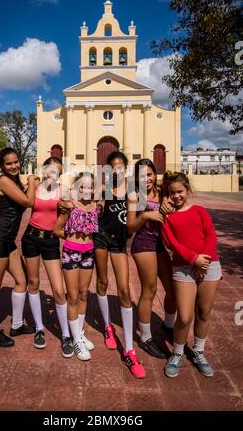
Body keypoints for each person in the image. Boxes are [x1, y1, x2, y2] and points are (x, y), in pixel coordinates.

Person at [161, 171, 221, 378]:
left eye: (180, 191)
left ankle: (199, 352)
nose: (177, 196)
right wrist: (193, 259)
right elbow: (171, 244)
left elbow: (210, 235)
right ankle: (177, 353)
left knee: (203, 313)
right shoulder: (167, 217)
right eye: (172, 193)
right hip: (183, 267)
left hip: (209, 265)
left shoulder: (200, 211)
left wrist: (204, 260)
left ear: (187, 190)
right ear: (167, 194)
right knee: (185, 316)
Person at [93, 151, 146, 378]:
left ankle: (130, 350)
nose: (117, 170)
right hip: (101, 238)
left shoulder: (133, 190)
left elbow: (133, 222)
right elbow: (90, 207)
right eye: (113, 167)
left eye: (121, 166)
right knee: (103, 282)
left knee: (124, 291)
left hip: (119, 243)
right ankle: (107, 327)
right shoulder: (102, 188)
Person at [0, 147, 39, 347]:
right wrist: (31, 182)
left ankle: (16, 325)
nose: (14, 166)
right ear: (2, 166)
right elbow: (28, 201)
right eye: (9, 163)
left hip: (8, 241)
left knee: (22, 281)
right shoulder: (4, 181)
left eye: (16, 162)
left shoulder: (14, 181)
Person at [21, 157, 73, 357]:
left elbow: (69, 215)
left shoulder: (63, 191)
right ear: (44, 170)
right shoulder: (34, 185)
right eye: (50, 170)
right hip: (31, 238)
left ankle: (66, 334)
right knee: (33, 283)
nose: (53, 174)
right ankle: (39, 328)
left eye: (57, 172)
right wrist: (32, 181)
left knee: (59, 291)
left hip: (51, 240)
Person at [127, 159, 176, 359]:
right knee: (150, 290)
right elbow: (129, 227)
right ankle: (146, 338)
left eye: (149, 174)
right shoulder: (134, 195)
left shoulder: (163, 192)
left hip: (160, 244)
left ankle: (168, 325)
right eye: (141, 175)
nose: (146, 179)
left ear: (155, 174)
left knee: (173, 288)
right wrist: (147, 216)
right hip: (143, 244)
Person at [53, 172, 98, 361]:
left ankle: (78, 333)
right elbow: (56, 230)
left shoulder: (96, 206)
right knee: (71, 297)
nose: (86, 190)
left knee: (82, 294)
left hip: (89, 253)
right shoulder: (69, 206)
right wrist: (72, 241)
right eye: (82, 187)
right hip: (71, 253)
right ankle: (76, 341)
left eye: (90, 187)